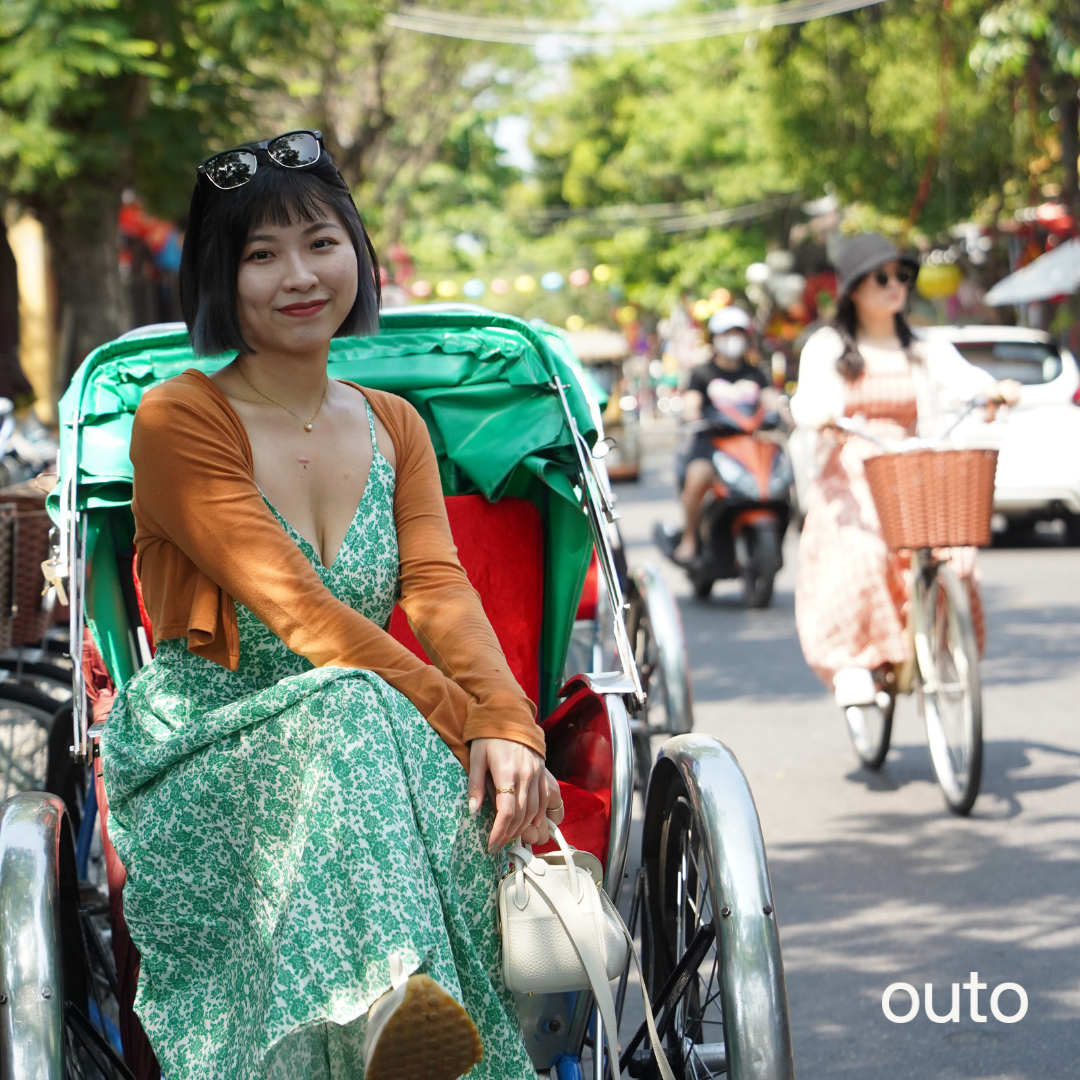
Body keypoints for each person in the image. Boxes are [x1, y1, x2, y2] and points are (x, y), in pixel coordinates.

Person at [100, 130, 561, 1080]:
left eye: (321, 243)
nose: (300, 276)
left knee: (396, 736)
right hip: (210, 741)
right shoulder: (179, 418)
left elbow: (437, 589)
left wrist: (509, 722)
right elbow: (303, 614)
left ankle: (406, 1019)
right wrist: (465, 721)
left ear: (357, 250)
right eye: (262, 255)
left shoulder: (397, 424)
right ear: (219, 276)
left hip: (371, 729)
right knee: (358, 705)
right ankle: (380, 1001)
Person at [790, 232, 1020, 711]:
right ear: (854, 288)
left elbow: (966, 380)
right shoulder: (828, 347)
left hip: (913, 464)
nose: (895, 285)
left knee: (957, 555)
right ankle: (855, 663)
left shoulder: (922, 345)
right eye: (882, 277)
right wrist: (819, 414)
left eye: (902, 276)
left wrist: (995, 389)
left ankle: (944, 645)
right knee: (864, 552)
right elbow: (808, 400)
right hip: (851, 468)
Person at [673, 306, 774, 563]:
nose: (732, 339)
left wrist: (786, 415)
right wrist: (693, 414)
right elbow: (691, 404)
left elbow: (772, 401)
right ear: (715, 338)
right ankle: (689, 537)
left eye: (738, 333)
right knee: (698, 476)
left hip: (747, 445)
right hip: (711, 443)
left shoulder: (755, 373)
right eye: (727, 333)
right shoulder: (701, 373)